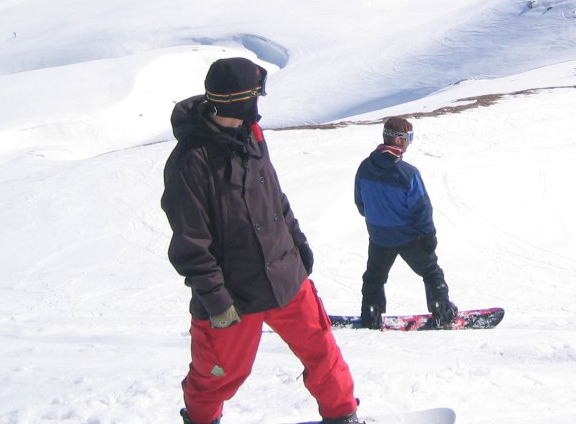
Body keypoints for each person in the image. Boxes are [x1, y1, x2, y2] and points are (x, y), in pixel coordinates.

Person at [161, 57, 361, 424]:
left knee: (323, 352)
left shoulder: (252, 137)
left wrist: (297, 244)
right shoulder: (190, 163)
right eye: (256, 96)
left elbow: (275, 197)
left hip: (285, 274)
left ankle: (343, 416)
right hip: (233, 297)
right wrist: (218, 301)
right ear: (241, 100)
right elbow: (191, 244)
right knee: (218, 376)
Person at [354, 116, 457, 329]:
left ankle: (371, 312)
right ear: (399, 140)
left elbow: (360, 202)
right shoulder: (407, 173)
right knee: (431, 271)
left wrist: (378, 219)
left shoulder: (365, 167)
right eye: (410, 137)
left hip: (379, 236)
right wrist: (429, 234)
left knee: (374, 276)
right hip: (408, 236)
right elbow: (421, 208)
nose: (410, 142)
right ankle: (442, 310)